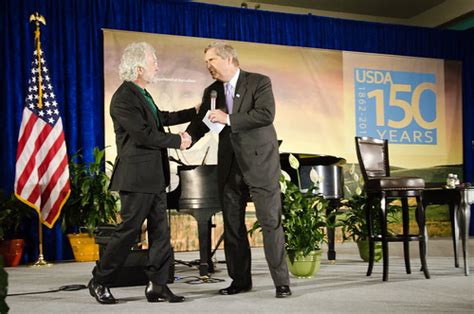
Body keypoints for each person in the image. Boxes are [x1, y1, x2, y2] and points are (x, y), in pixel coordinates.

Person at [88, 42, 197, 304]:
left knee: (161, 234)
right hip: (137, 179)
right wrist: (177, 142)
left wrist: (193, 111)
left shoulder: (142, 93)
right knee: (128, 232)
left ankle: (157, 285)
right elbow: (143, 135)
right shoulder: (124, 98)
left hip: (156, 177)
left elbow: (161, 119)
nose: (157, 66)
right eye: (153, 62)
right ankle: (100, 280)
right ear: (138, 68)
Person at [186, 41, 291, 298]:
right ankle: (240, 281)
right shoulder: (212, 91)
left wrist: (229, 118)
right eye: (206, 61)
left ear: (229, 59)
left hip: (260, 163)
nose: (208, 65)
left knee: (270, 223)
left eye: (212, 60)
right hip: (230, 165)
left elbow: (266, 114)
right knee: (233, 225)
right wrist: (187, 137)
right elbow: (203, 122)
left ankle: (281, 282)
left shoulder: (258, 82)